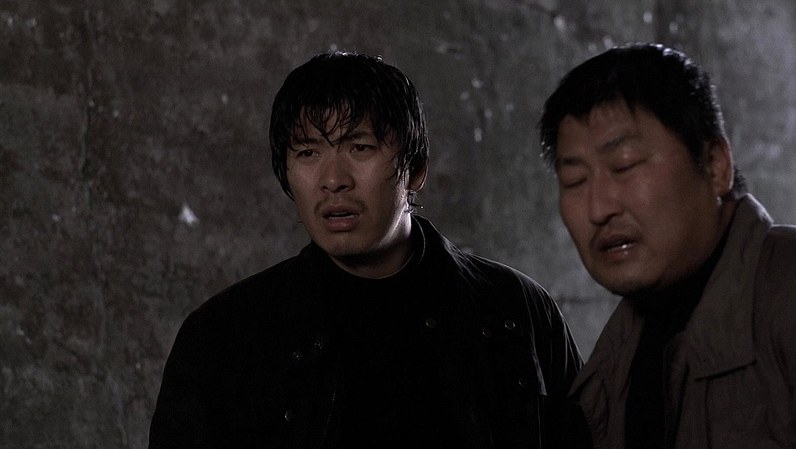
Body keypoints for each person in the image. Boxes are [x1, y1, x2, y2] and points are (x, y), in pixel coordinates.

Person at [149, 51, 583, 448]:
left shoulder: (515, 311)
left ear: (415, 169)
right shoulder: (225, 336)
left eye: (360, 147)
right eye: (307, 152)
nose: (333, 180)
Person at [538, 42, 796, 448]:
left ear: (715, 165)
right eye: (574, 181)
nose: (598, 208)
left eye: (625, 165)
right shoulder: (612, 365)